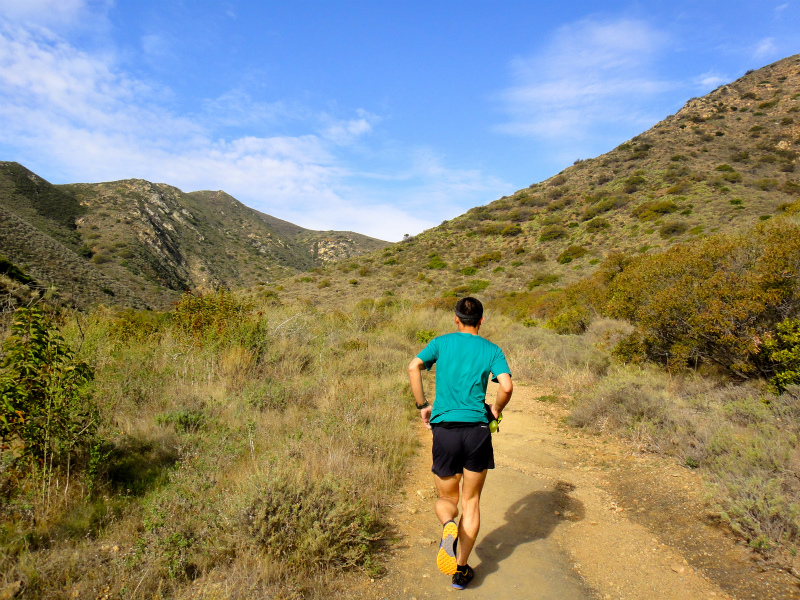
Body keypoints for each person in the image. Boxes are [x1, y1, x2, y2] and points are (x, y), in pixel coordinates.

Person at [407, 297, 513, 590]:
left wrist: (422, 406)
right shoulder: (492, 350)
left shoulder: (441, 344)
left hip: (445, 430)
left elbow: (413, 367)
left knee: (448, 500)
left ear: (456, 319)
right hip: (477, 430)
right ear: (481, 320)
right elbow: (506, 386)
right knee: (471, 501)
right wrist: (496, 410)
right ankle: (461, 570)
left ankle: (447, 526)